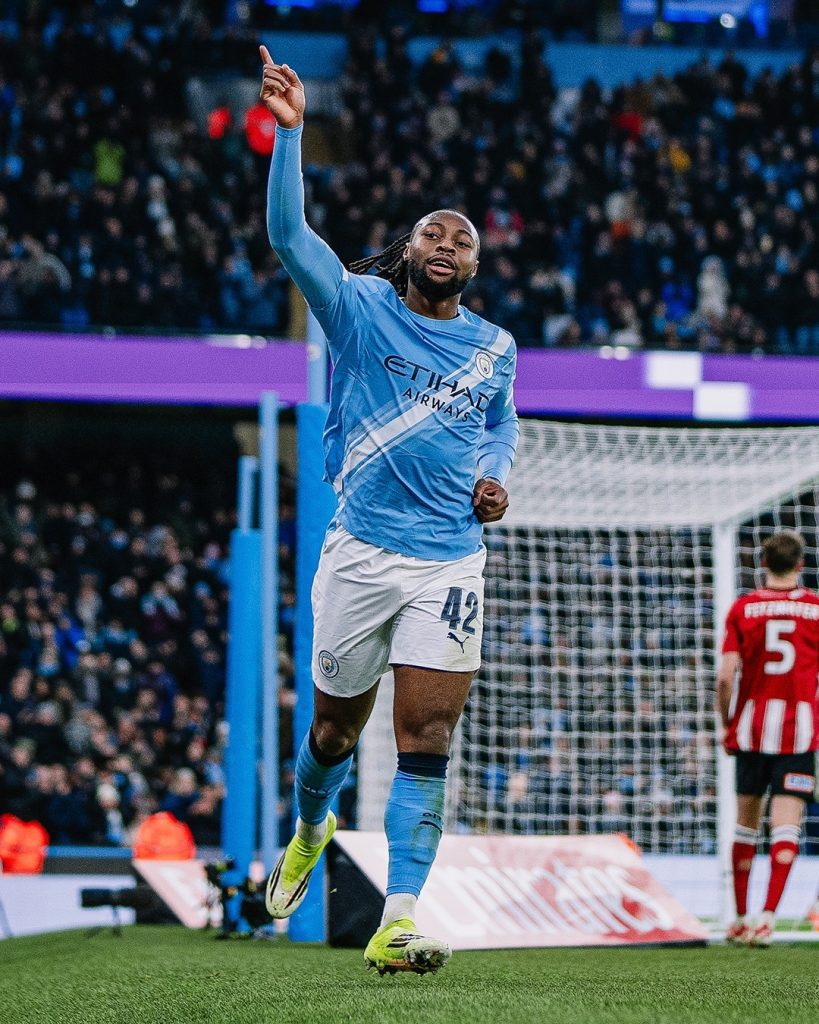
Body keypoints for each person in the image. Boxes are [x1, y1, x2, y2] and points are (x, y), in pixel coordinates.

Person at [257, 48, 518, 975]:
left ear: (474, 268)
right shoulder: (360, 310)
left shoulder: (494, 348)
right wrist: (290, 137)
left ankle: (399, 916)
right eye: (431, 234)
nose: (445, 245)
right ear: (407, 251)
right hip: (361, 552)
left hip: (448, 560)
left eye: (462, 241)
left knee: (426, 736)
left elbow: (499, 427)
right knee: (333, 733)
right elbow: (291, 240)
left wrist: (493, 477)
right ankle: (310, 824)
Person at [716, 530, 819, 947]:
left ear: (762, 563)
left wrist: (727, 722)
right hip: (799, 735)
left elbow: (725, 677)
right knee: (785, 830)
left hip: (751, 731)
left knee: (745, 828)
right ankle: (768, 919)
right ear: (800, 565)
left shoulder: (744, 608)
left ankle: (740, 918)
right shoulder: (815, 608)